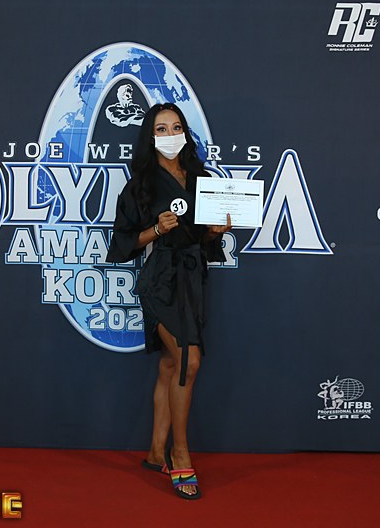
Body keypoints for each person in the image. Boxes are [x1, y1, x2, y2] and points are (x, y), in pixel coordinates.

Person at [106, 102, 231, 500]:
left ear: (185, 133)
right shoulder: (140, 185)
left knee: (170, 364)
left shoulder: (202, 179)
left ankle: (155, 451)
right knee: (188, 362)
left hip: (193, 279)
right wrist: (156, 230)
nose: (170, 135)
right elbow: (122, 242)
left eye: (176, 127)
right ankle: (180, 453)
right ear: (150, 137)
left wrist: (214, 232)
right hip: (159, 280)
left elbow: (204, 238)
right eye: (161, 129)